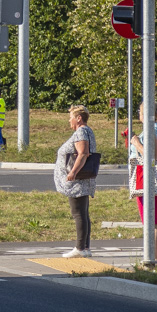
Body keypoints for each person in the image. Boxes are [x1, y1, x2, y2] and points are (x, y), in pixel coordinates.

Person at [53, 105, 98, 258]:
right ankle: (85, 248)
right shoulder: (86, 131)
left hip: (78, 180)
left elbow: (83, 153)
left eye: (71, 117)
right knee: (83, 213)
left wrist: (72, 172)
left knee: (78, 213)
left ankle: (80, 248)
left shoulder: (81, 131)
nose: (69, 121)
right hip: (81, 179)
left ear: (79, 118)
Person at [128, 101, 157, 264]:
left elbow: (151, 156)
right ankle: (155, 257)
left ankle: (151, 257)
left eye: (139, 110)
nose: (138, 113)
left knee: (150, 220)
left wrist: (136, 143)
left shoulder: (150, 130)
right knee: (154, 220)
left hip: (149, 176)